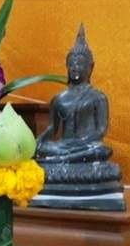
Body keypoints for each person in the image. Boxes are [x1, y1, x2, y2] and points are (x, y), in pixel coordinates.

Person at [35, 25, 112, 164]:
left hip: (86, 146)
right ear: (66, 66)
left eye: (80, 64)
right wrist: (38, 141)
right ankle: (65, 158)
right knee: (42, 149)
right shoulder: (58, 99)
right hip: (64, 145)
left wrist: (80, 143)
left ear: (91, 67)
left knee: (100, 149)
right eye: (71, 65)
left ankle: (63, 159)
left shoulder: (98, 97)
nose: (75, 68)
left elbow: (101, 130)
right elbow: (52, 128)